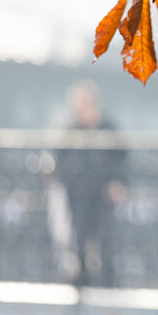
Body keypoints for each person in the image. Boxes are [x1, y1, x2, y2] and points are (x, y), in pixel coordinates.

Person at [50, 80, 127, 287]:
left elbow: (122, 160)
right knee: (79, 237)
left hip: (103, 194)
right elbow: (60, 160)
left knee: (105, 238)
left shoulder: (108, 128)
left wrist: (118, 183)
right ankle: (81, 282)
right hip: (78, 194)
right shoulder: (69, 131)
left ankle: (108, 283)